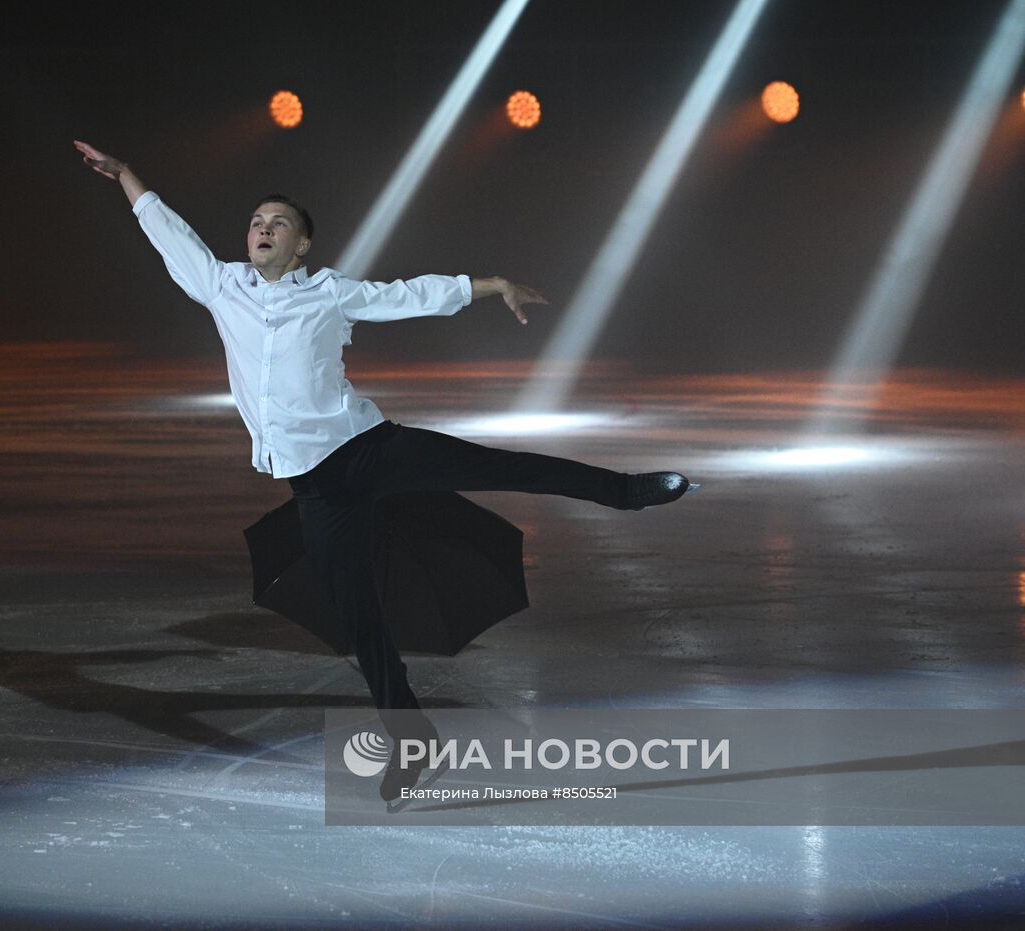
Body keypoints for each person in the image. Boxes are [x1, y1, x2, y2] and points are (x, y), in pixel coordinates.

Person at [76, 140, 694, 803]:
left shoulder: (328, 293)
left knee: (501, 466)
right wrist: (126, 176)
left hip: (368, 449)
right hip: (315, 488)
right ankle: (413, 737)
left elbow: (407, 295)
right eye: (256, 220)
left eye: (277, 223)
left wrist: (490, 286)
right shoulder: (223, 287)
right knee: (360, 621)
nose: (262, 229)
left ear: (302, 244)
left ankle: (625, 492)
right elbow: (172, 236)